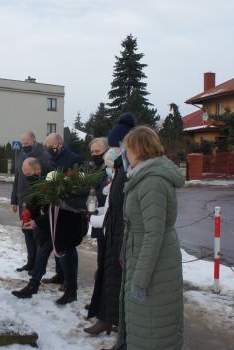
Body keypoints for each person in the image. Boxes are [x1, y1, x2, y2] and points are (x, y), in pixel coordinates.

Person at [115, 126, 185, 350]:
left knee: (153, 326)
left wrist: (141, 279)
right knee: (143, 323)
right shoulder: (143, 176)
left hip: (155, 265)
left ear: (138, 149)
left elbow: (153, 234)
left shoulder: (152, 182)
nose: (125, 155)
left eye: (127, 149)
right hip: (145, 258)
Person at [85, 113, 136, 336]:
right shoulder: (115, 168)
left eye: (115, 147)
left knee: (116, 276)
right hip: (108, 228)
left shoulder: (131, 171)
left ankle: (113, 319)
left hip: (122, 233)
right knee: (105, 272)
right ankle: (106, 316)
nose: (111, 152)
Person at [11, 157, 87, 305]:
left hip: (65, 228)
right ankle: (33, 285)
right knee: (42, 252)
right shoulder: (38, 180)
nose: (26, 176)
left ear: (36, 170)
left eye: (27, 173)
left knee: (67, 258)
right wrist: (28, 216)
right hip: (50, 226)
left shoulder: (55, 181)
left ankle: (71, 290)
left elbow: (57, 209)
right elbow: (37, 201)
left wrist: (36, 222)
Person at [40, 132, 84, 291]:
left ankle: (69, 280)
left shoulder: (75, 159)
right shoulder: (51, 159)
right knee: (56, 242)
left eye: (50, 147)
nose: (48, 150)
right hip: (54, 207)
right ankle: (60, 275)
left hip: (69, 211)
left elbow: (79, 185)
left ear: (59, 145)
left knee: (67, 246)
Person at [10, 131, 52, 274]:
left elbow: (48, 177)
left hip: (38, 201)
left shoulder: (44, 156)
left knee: (37, 234)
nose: (24, 147)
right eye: (22, 144)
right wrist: (14, 200)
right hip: (23, 200)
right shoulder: (21, 155)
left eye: (27, 144)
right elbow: (17, 178)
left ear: (34, 141)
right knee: (27, 232)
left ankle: (38, 266)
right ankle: (30, 262)